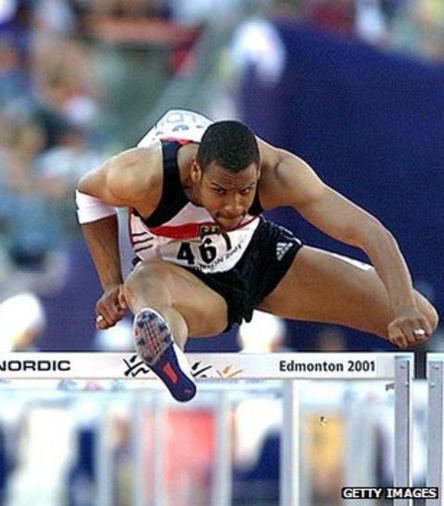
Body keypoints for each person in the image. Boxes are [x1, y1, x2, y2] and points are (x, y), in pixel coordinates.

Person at [76, 108, 438, 402]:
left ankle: (166, 340)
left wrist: (403, 306)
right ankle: (169, 356)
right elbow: (88, 195)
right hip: (182, 280)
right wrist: (111, 282)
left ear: (257, 176)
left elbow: (369, 231)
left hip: (258, 257)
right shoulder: (142, 176)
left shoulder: (279, 172)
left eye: (245, 191)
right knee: (146, 282)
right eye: (220, 191)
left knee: (423, 316)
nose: (233, 206)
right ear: (196, 171)